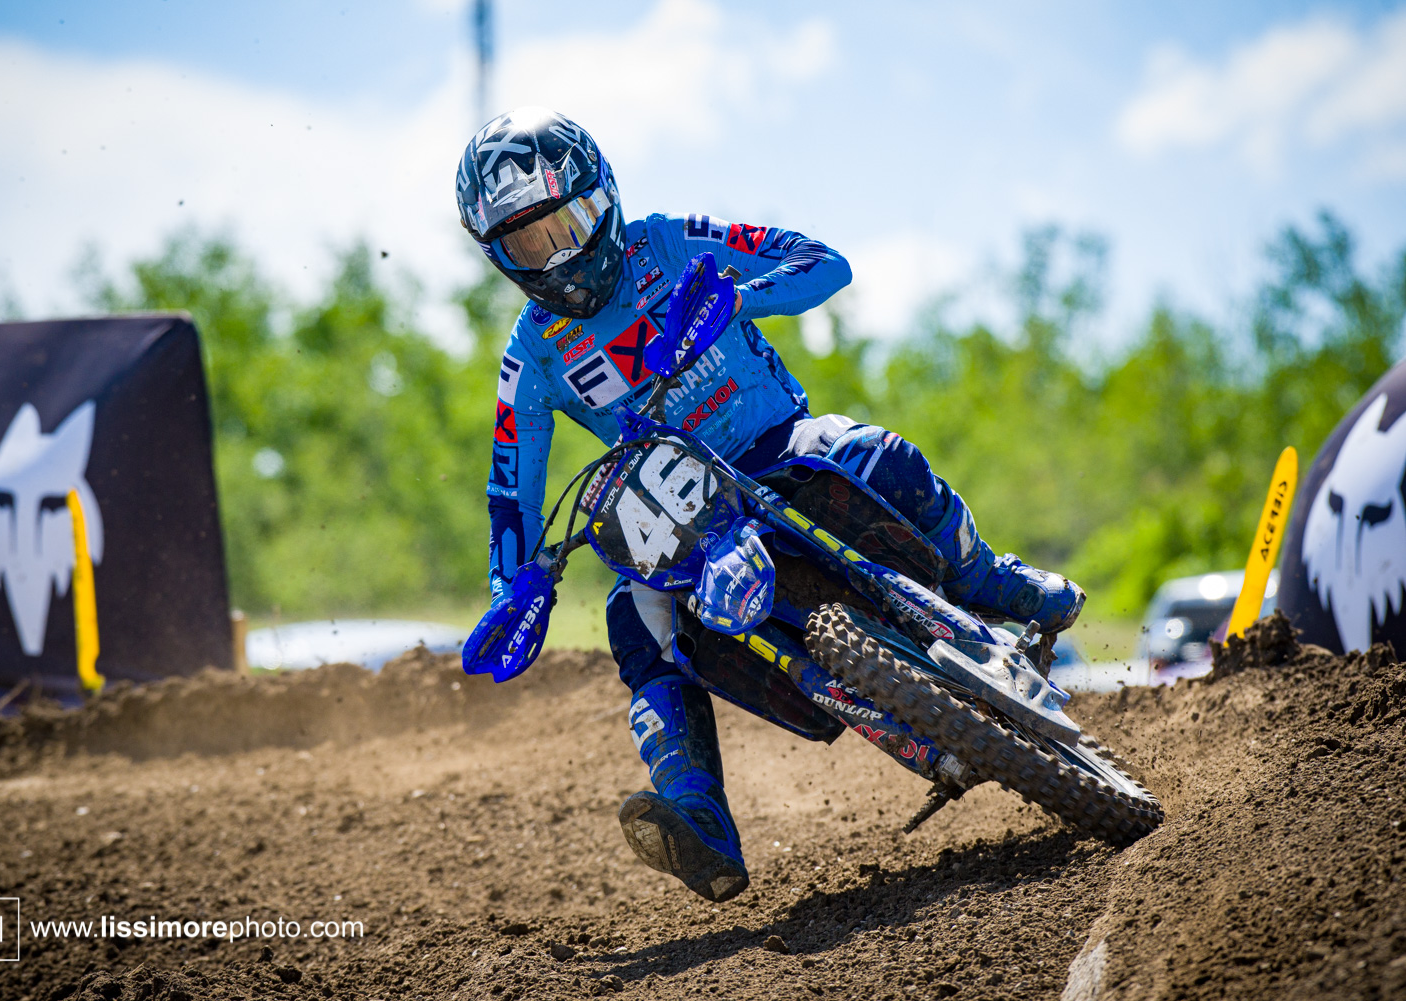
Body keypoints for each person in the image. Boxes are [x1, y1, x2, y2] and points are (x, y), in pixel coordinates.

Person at [457, 107, 1084, 903]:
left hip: (774, 441)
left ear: (602, 197)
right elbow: (510, 487)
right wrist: (511, 586)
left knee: (874, 453)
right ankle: (697, 810)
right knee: (631, 616)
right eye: (527, 245)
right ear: (499, 257)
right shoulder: (530, 354)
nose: (557, 256)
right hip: (681, 514)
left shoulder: (670, 241)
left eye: (566, 225)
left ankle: (989, 577)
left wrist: (736, 299)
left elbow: (824, 263)